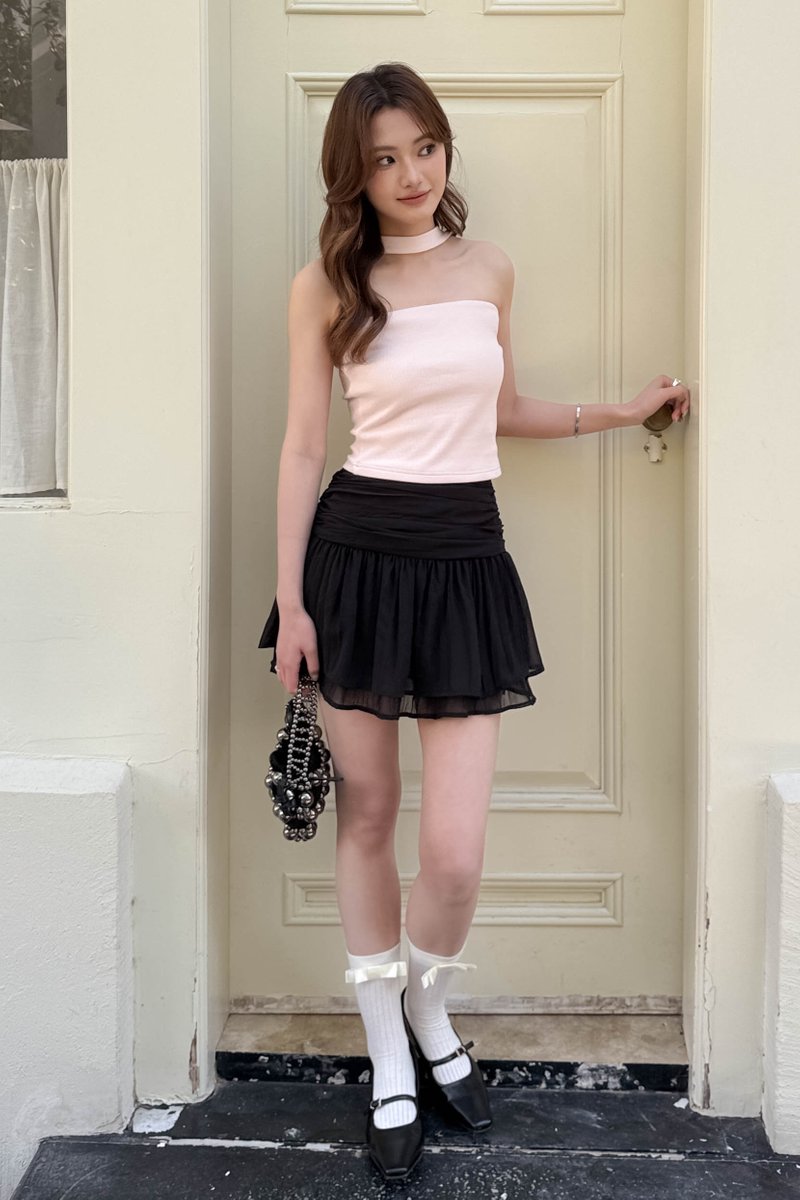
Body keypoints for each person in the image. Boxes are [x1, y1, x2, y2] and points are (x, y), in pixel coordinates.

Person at [257, 61, 691, 1183]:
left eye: (423, 148)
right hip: (354, 562)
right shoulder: (326, 283)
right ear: (354, 175)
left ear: (445, 147)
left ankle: (428, 1008)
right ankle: (389, 1059)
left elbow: (499, 411)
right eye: (383, 159)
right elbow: (303, 447)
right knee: (369, 814)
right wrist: (292, 601)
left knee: (451, 853)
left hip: (463, 560)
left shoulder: (488, 267)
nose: (409, 174)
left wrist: (620, 409)